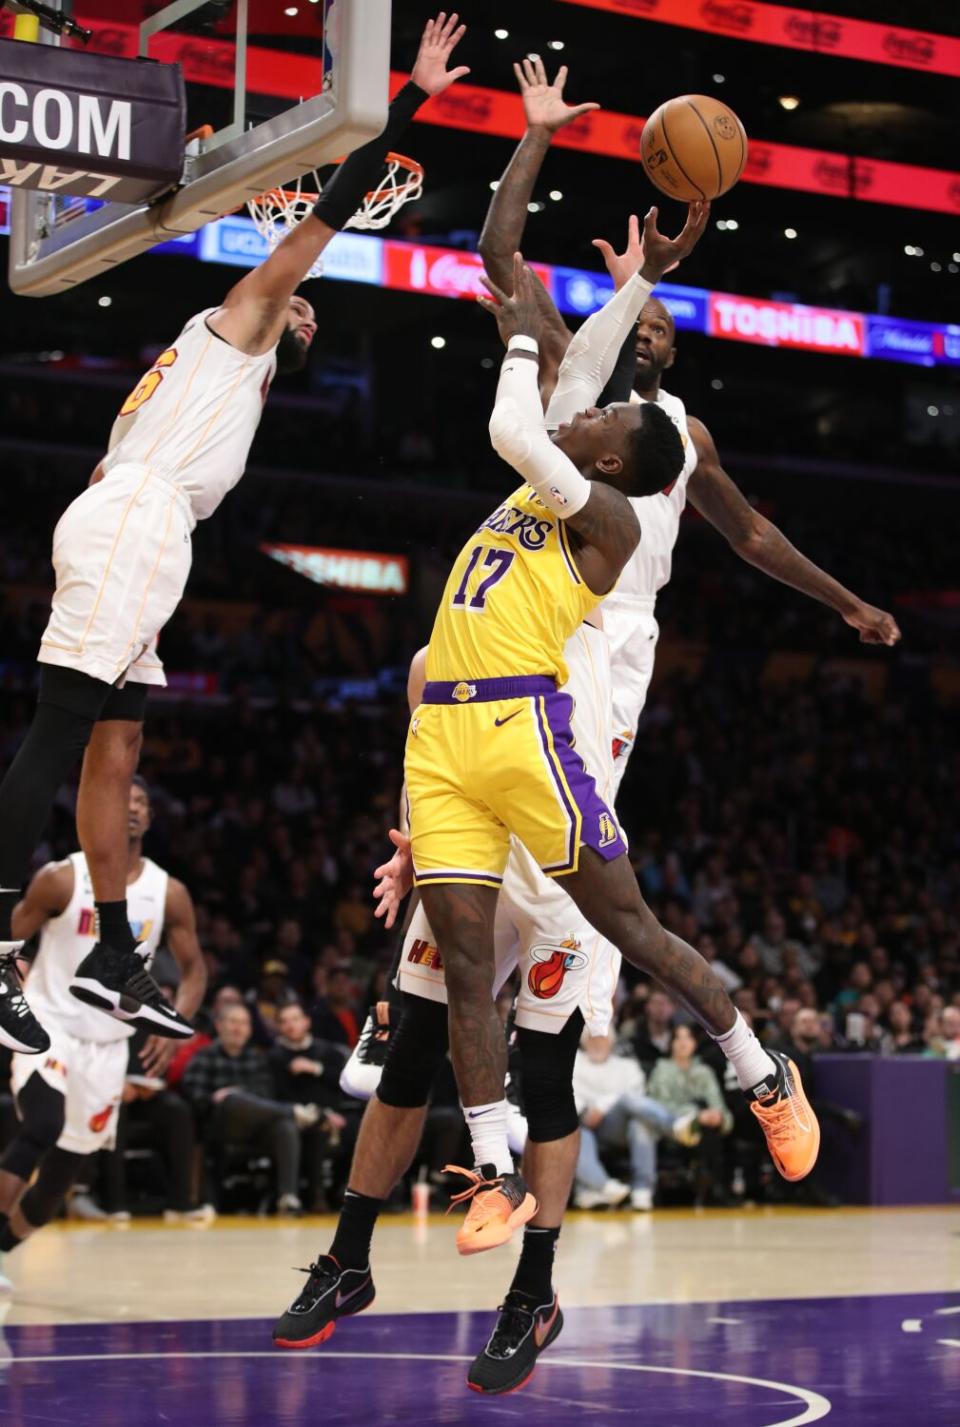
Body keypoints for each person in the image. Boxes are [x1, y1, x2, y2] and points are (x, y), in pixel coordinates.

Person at [0, 11, 470, 1056]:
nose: (309, 318)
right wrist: (414, 97)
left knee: (116, 750)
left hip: (139, 521)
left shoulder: (214, 378)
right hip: (138, 519)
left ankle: (114, 953)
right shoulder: (247, 312)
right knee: (62, 728)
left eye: (311, 321)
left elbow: (98, 468)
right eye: (305, 309)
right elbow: (332, 212)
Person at [0, 778, 206, 1285]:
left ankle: (2, 1247)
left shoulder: (168, 893)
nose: (131, 808)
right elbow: (8, 936)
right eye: (123, 800)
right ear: (99, 809)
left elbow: (195, 968)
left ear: (151, 818)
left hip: (109, 1047)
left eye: (141, 802)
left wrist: (176, 1021)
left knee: (57, 1184)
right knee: (41, 1126)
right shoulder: (61, 879)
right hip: (50, 1025)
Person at [182, 1002, 321, 1216]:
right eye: (233, 1022)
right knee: (232, 1100)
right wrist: (216, 1097)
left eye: (244, 1023)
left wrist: (237, 1093)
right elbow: (193, 1097)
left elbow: (265, 1095)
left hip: (256, 1125)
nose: (239, 1028)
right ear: (219, 1026)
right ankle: (293, 1111)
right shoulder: (204, 1056)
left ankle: (288, 1197)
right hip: (219, 1127)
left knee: (284, 1125)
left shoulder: (257, 1058)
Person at [572, 1032, 700, 1211]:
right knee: (574, 1132)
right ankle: (599, 1187)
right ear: (583, 1042)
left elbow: (635, 1098)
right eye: (592, 1039)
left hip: (616, 1127)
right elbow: (564, 1093)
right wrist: (587, 1110)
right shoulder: (572, 1062)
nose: (597, 1044)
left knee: (639, 1123)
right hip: (582, 1123)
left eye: (602, 1038)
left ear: (611, 1041)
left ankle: (642, 1191)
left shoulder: (627, 1066)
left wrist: (602, 1105)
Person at [646, 1025, 733, 1207]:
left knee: (709, 1129)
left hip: (704, 1129)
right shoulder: (661, 1071)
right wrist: (695, 1114)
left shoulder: (704, 1072)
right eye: (678, 1038)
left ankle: (711, 1184)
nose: (683, 1043)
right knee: (703, 1129)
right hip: (671, 1127)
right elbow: (659, 1107)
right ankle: (713, 1187)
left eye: (688, 1038)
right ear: (671, 1044)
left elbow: (719, 1106)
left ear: (695, 1043)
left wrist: (718, 1117)